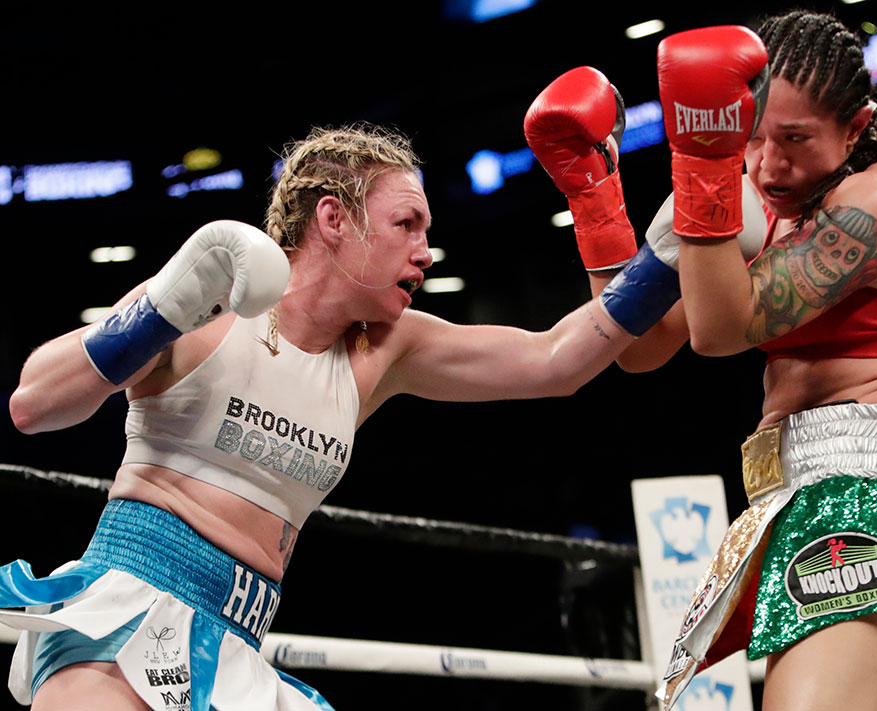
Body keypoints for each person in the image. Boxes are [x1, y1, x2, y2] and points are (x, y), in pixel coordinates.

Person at [2, 69, 689, 710]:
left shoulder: (385, 349)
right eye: (406, 225)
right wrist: (162, 303)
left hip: (236, 641)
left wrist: (662, 228)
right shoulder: (210, 306)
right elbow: (33, 402)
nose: (425, 250)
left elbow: (556, 360)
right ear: (334, 219)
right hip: (123, 619)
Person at [609, 12, 877, 711]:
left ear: (855, 128)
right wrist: (594, 196)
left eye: (794, 139)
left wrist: (702, 167)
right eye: (751, 139)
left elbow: (720, 332)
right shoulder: (762, 207)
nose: (767, 164)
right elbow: (635, 346)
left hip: (862, 496)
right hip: (801, 494)